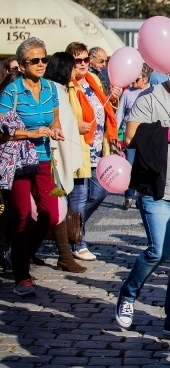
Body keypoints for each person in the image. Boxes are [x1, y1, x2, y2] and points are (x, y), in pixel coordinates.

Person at [115, 51, 170, 339]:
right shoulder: (149, 97)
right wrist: (169, 133)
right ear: (168, 71)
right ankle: (128, 294)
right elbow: (129, 137)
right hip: (157, 189)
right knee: (159, 251)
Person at [0, 38, 65, 297]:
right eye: (34, 60)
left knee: (50, 214)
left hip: (44, 158)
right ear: (23, 64)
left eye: (44, 59)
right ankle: (22, 276)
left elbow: (55, 119)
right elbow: (3, 132)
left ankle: (19, 253)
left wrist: (56, 131)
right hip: (18, 160)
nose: (41, 64)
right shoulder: (11, 92)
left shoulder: (50, 88)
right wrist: (30, 133)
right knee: (22, 216)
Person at [65, 41, 121, 262]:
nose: (82, 64)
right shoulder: (66, 85)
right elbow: (61, 117)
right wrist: (73, 126)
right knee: (78, 198)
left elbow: (105, 110)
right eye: (77, 60)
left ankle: (69, 228)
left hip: (99, 148)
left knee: (100, 192)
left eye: (85, 59)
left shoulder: (94, 80)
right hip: (79, 149)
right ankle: (78, 242)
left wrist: (113, 98)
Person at [42, 52, 87, 273]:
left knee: (53, 208)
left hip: (54, 156)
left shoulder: (61, 89)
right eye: (71, 67)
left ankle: (29, 253)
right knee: (55, 208)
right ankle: (63, 255)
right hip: (50, 158)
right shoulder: (52, 90)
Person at [116, 67, 151, 210]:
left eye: (136, 80)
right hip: (129, 135)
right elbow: (119, 115)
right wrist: (114, 136)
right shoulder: (127, 94)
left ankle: (142, 196)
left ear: (145, 79)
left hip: (147, 136)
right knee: (129, 166)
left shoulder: (151, 92)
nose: (133, 83)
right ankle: (129, 196)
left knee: (145, 167)